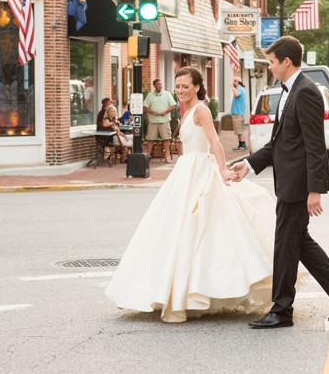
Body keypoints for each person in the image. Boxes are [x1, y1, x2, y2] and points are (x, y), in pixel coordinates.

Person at [106, 67, 275, 322]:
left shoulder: (202, 110)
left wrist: (221, 170)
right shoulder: (184, 111)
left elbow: (215, 141)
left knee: (205, 226)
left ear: (197, 86)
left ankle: (200, 288)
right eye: (178, 86)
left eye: (186, 86)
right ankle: (177, 289)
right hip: (185, 171)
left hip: (200, 170)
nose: (181, 91)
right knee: (176, 229)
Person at [231, 36, 329, 329]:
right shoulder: (289, 91)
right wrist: (248, 164)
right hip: (290, 182)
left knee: (285, 245)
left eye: (272, 61)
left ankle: (281, 309)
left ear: (286, 61)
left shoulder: (305, 92)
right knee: (297, 243)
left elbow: (315, 146)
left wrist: (314, 189)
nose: (270, 66)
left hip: (298, 184)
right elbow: (280, 143)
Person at [143, 78, 176, 162]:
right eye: (158, 84)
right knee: (150, 139)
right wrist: (152, 112)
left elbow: (173, 105)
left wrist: (165, 111)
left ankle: (167, 157)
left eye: (161, 84)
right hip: (153, 121)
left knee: (166, 138)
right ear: (154, 85)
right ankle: (148, 155)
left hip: (164, 120)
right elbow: (145, 107)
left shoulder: (167, 94)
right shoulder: (150, 95)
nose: (160, 86)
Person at [230, 77, 248, 150]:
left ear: (236, 82)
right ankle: (240, 145)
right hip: (237, 113)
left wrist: (231, 87)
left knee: (240, 130)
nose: (233, 83)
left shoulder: (239, 89)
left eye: (233, 82)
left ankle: (243, 145)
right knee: (238, 130)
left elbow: (237, 94)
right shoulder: (240, 89)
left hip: (238, 113)